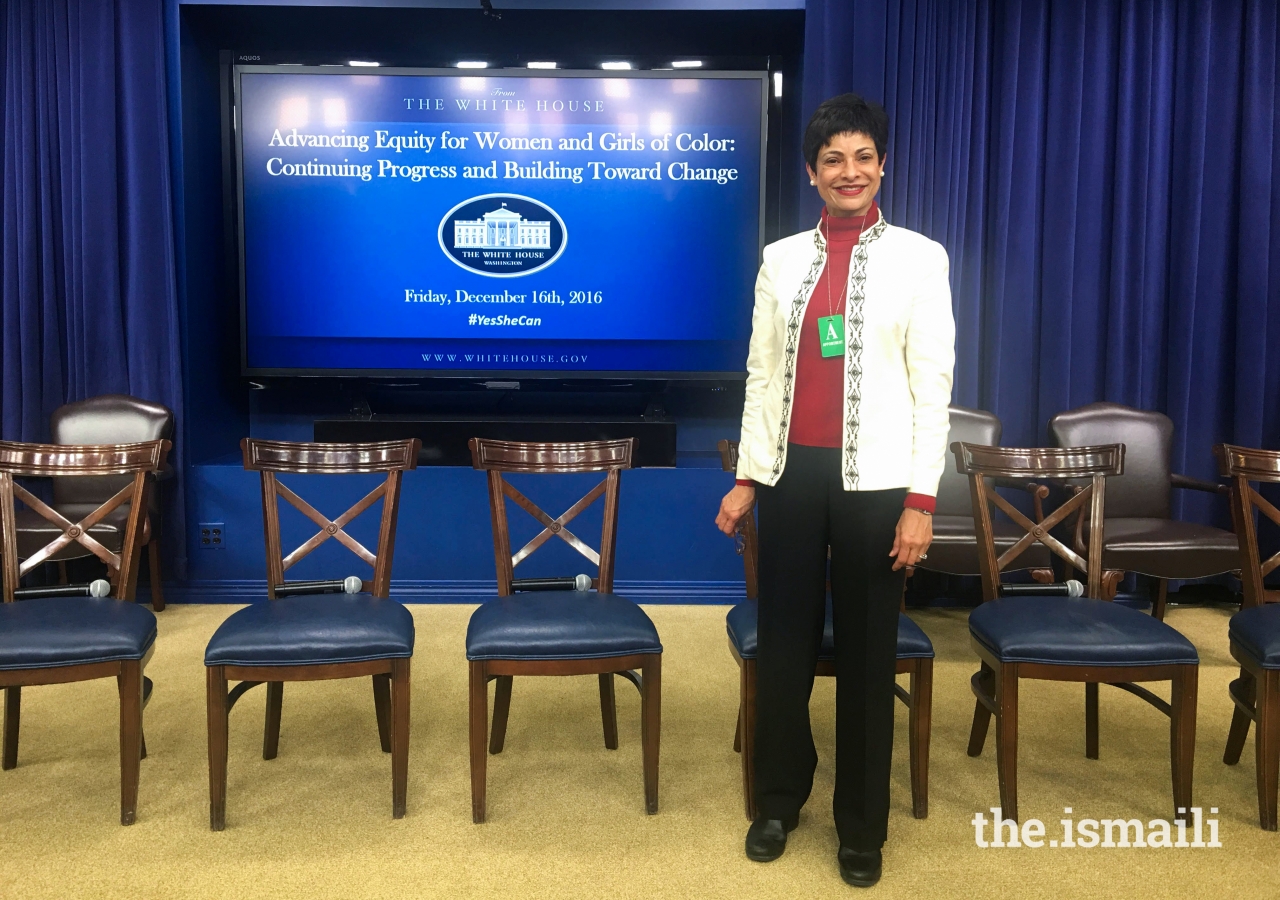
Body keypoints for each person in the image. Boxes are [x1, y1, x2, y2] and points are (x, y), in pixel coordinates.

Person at [715, 93, 955, 888]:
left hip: (878, 486)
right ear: (813, 173)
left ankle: (862, 825)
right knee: (781, 649)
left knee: (864, 654)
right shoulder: (781, 258)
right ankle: (778, 799)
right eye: (831, 161)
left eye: (862, 158)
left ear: (881, 165)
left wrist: (921, 502)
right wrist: (749, 476)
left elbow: (933, 389)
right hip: (789, 479)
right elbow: (761, 375)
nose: (847, 172)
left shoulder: (922, 258)